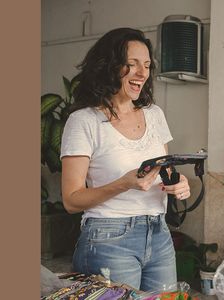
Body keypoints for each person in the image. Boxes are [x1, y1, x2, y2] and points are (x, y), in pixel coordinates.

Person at [59, 27, 191, 292]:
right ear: (109, 67)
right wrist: (123, 183)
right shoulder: (84, 121)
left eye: (146, 65)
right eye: (131, 65)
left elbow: (164, 172)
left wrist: (178, 183)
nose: (142, 73)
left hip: (159, 234)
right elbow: (71, 200)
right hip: (108, 237)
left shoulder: (155, 114)